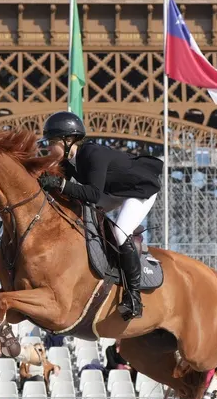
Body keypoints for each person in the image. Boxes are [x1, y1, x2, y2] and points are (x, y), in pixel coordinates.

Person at [38, 112, 163, 320]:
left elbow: (93, 194)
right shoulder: (69, 161)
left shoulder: (92, 154)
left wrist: (60, 184)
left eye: (52, 142)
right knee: (82, 212)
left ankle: (134, 297)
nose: (48, 148)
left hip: (139, 191)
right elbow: (67, 192)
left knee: (120, 233)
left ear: (68, 141)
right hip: (113, 191)